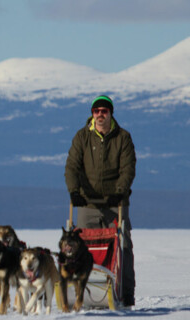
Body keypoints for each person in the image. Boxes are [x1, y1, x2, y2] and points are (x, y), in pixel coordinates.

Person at [64, 95, 137, 307]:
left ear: (111, 113)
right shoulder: (82, 137)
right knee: (81, 248)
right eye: (96, 111)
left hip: (116, 203)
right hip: (87, 203)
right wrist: (74, 191)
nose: (100, 115)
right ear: (92, 114)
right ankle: (82, 292)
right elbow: (72, 167)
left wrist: (120, 191)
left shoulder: (123, 137)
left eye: (104, 111)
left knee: (122, 247)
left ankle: (126, 293)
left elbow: (128, 168)